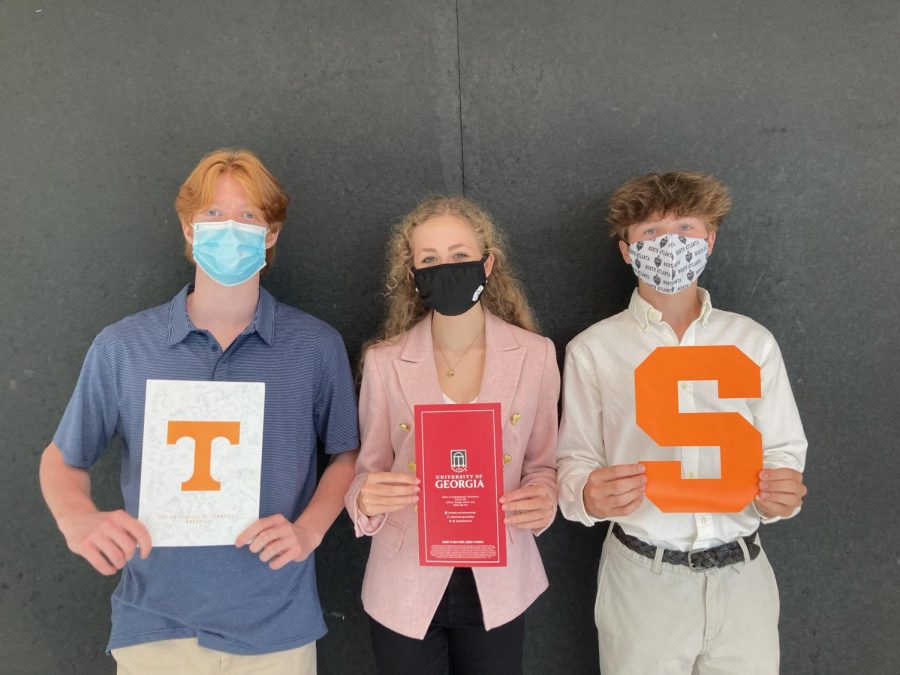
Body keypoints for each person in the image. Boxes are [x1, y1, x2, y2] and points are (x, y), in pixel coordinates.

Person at [39, 148, 359, 673]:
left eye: (248, 215)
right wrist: (78, 520)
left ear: (271, 233)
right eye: (213, 214)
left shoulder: (315, 346)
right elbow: (63, 457)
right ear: (188, 228)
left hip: (277, 626)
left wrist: (310, 530)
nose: (229, 227)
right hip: (157, 626)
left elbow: (345, 455)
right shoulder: (123, 346)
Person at [556, 171, 808, 674]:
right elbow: (574, 462)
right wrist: (585, 495)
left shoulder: (752, 341)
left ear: (710, 240)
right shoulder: (594, 350)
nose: (670, 244)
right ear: (627, 250)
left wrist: (783, 492)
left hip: (744, 576)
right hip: (643, 578)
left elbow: (783, 448)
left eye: (687, 228)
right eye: (649, 232)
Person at [344, 196, 560, 674]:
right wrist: (366, 498)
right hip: (405, 579)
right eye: (429, 260)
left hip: (499, 578)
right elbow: (366, 472)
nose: (446, 267)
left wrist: (544, 498)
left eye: (460, 255)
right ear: (414, 275)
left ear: (488, 262)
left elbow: (544, 464)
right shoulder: (384, 361)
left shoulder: (537, 355)